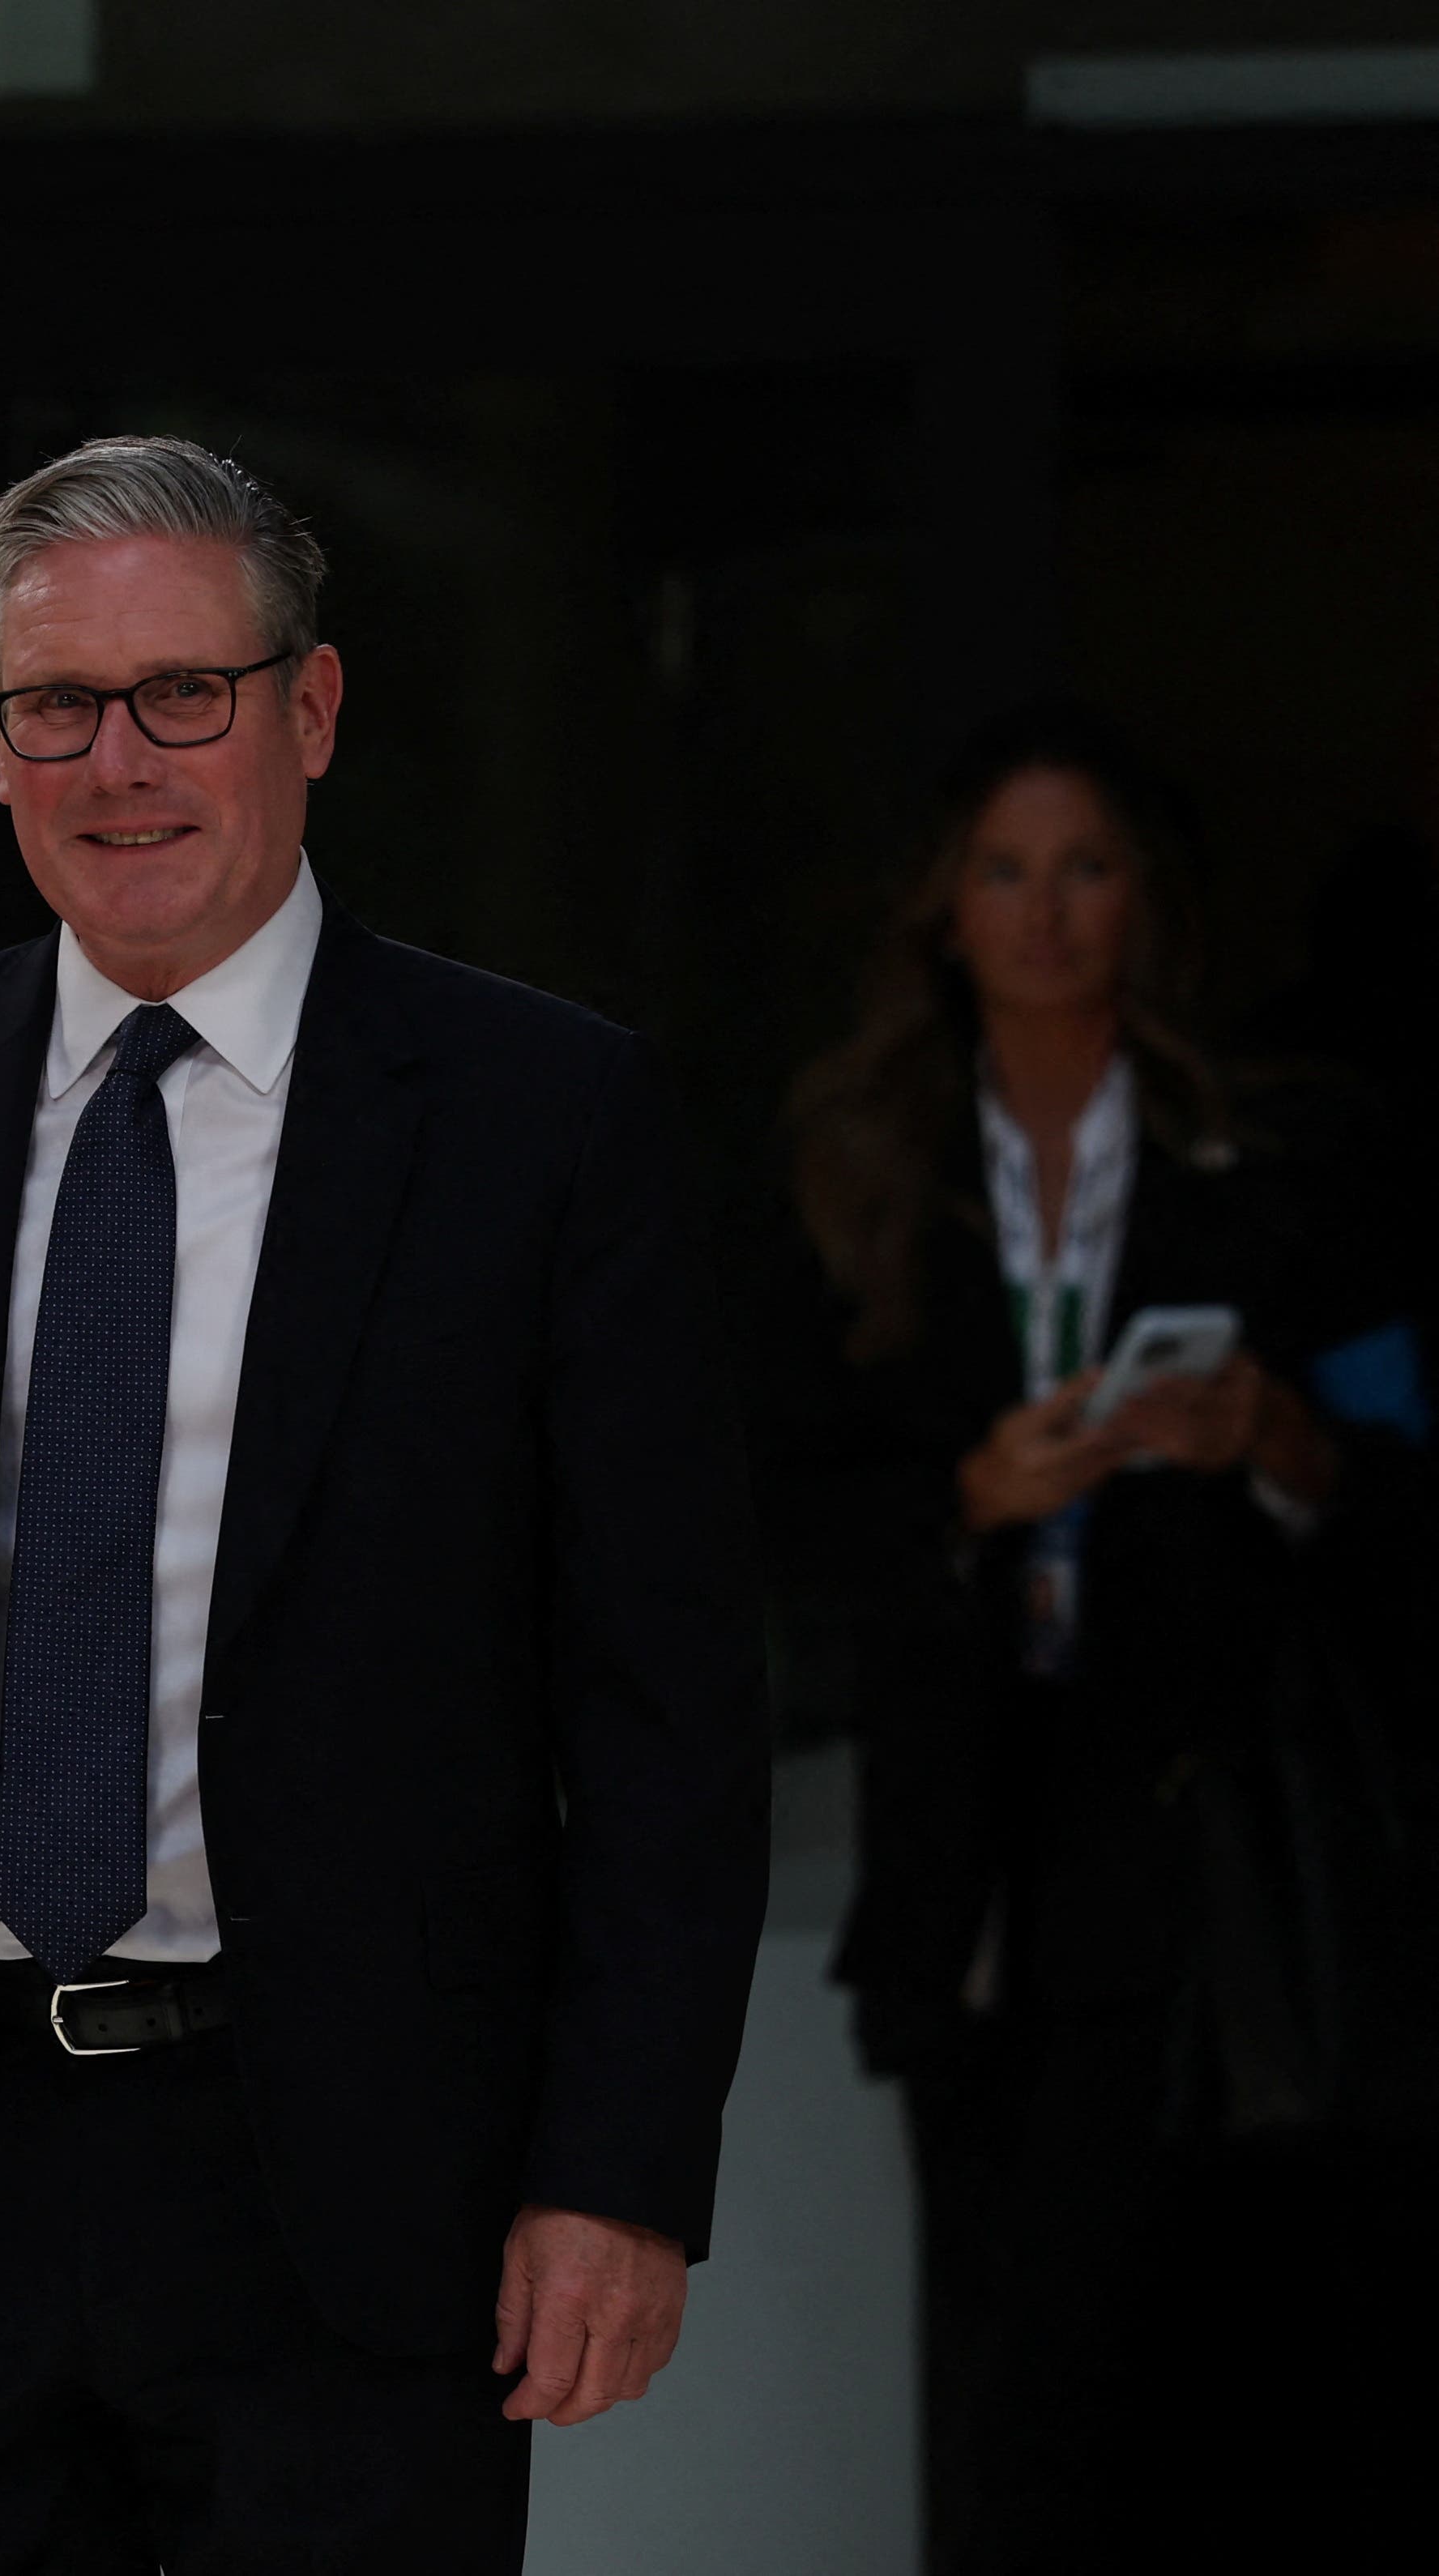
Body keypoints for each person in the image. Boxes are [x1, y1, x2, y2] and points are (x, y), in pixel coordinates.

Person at [0, 437, 767, 2572]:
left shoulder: (539, 1118)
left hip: (350, 2173)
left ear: (307, 712)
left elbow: (665, 1713)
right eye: (53, 703)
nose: (116, 759)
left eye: (183, 695)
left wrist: (616, 2166)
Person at [773, 708, 1394, 2573]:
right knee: (991, 2339)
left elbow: (1389, 1462)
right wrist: (970, 1496)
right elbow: (774, 1496)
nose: (1046, 916)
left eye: (1087, 869)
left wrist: (1273, 1441)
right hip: (966, 1834)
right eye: (1005, 872)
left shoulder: (1263, 1159)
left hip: (1178, 1820)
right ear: (945, 912)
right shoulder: (861, 1165)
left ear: (1147, 905)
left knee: (1155, 2342)